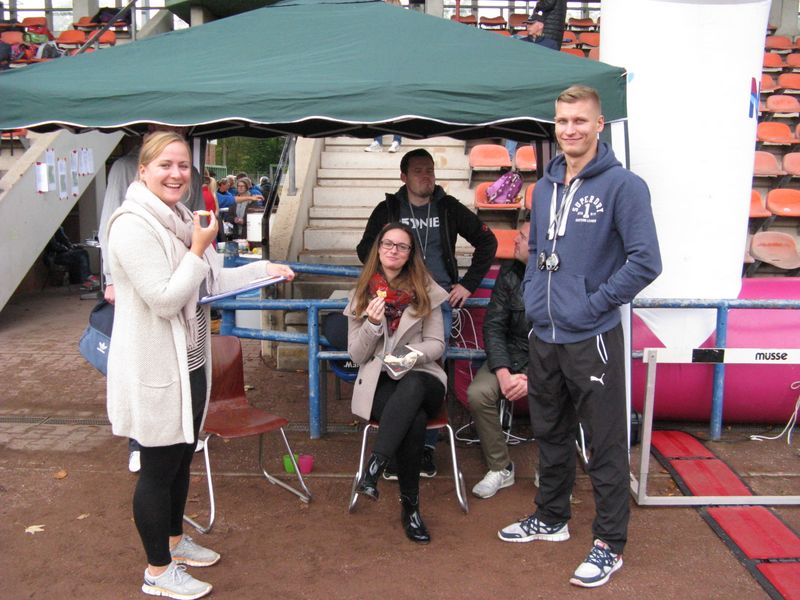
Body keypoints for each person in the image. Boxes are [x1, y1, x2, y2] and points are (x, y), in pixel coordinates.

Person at [106, 131, 295, 599]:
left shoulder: (180, 218)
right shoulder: (131, 225)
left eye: (182, 166)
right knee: (157, 469)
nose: (176, 174)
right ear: (143, 171)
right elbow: (166, 299)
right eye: (165, 165)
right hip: (155, 369)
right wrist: (196, 248)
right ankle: (157, 571)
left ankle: (174, 542)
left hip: (190, 364)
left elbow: (210, 282)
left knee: (181, 460)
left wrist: (264, 269)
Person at [497, 85, 662, 588]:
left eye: (580, 120)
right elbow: (536, 252)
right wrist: (534, 297)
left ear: (599, 125)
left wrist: (591, 305)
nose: (570, 129)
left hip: (592, 335)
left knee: (605, 442)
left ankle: (610, 543)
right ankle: (551, 517)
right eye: (563, 121)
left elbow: (646, 262)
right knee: (550, 431)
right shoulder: (543, 188)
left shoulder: (624, 186)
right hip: (545, 333)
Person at [357, 148, 497, 477]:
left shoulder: (448, 207)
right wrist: (385, 277)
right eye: (419, 170)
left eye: (430, 170)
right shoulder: (389, 209)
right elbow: (365, 250)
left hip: (435, 303)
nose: (426, 176)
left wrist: (468, 285)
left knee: (430, 369)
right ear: (403, 176)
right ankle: (397, 443)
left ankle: (427, 448)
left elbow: (487, 242)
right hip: (396, 303)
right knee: (394, 369)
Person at [346, 222, 448, 544]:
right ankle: (411, 509)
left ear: (410, 254)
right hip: (381, 384)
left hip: (424, 378)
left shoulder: (425, 290)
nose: (394, 250)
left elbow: (437, 344)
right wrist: (372, 324)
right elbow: (356, 354)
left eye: (402, 246)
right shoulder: (362, 294)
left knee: (414, 386)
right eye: (388, 244)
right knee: (413, 420)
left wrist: (404, 358)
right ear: (378, 249)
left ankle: (375, 465)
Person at [467, 224, 530, 499]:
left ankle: (551, 469)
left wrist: (534, 378)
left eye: (522, 237)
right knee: (479, 392)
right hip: (511, 353)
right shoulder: (509, 272)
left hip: (548, 360)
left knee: (558, 391)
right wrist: (503, 372)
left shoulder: (562, 274)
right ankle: (500, 467)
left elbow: (561, 336)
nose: (515, 239)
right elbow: (493, 326)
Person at [45, 227, 98, 291]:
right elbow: (54, 246)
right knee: (81, 255)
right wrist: (67, 249)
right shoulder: (48, 229)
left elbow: (65, 240)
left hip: (62, 252)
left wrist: (71, 246)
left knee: (82, 252)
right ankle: (86, 279)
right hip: (54, 256)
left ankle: (85, 278)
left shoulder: (58, 228)